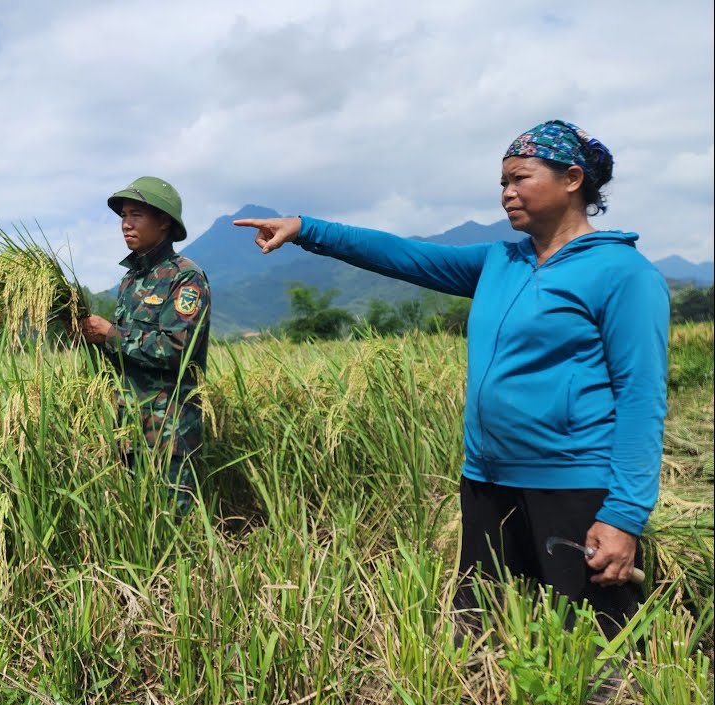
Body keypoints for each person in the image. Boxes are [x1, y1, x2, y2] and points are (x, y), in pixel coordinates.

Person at [233, 120, 668, 636]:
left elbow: (642, 397)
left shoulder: (623, 274)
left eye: (520, 178)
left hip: (571, 482)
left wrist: (623, 514)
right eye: (502, 182)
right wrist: (307, 229)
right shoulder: (499, 261)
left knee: (595, 651)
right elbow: (402, 255)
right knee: (479, 633)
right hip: (486, 479)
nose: (506, 193)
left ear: (572, 179)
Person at [80, 177, 212, 514]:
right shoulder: (130, 280)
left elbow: (177, 347)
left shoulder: (186, 277)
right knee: (136, 523)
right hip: (129, 428)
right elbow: (128, 352)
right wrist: (94, 337)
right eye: (124, 216)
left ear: (163, 221)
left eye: (136, 215)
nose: (126, 224)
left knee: (175, 529)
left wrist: (111, 334)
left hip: (169, 432)